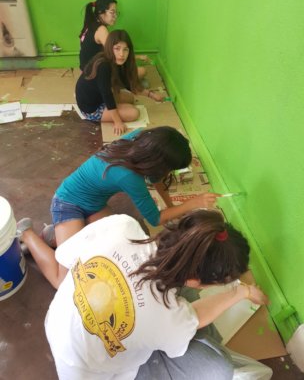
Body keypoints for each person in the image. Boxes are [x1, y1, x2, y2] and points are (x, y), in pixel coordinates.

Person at [44, 210, 271, 379]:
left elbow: (63, 255)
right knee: (217, 370)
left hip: (57, 322)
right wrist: (241, 291)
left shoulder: (123, 224)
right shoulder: (167, 315)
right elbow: (195, 318)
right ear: (195, 281)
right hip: (92, 373)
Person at [17, 126, 220, 289]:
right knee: (64, 280)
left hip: (95, 205)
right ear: (158, 162)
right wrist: (192, 204)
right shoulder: (128, 176)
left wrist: (173, 206)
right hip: (67, 204)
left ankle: (55, 234)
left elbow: (158, 178)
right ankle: (26, 232)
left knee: (113, 248)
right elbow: (155, 219)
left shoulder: (141, 139)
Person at [76, 29, 163, 136]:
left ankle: (115, 108)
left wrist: (151, 95)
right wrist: (117, 122)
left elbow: (128, 83)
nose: (121, 54)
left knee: (130, 98)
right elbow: (107, 95)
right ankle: (112, 112)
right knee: (134, 113)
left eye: (125, 50)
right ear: (109, 48)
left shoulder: (118, 61)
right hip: (91, 107)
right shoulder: (103, 65)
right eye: (117, 49)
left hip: (100, 96)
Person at [79, 0, 148, 78]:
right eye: (112, 12)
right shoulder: (101, 30)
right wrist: (139, 57)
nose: (115, 16)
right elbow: (115, 55)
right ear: (101, 12)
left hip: (85, 68)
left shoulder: (90, 24)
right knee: (142, 71)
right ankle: (119, 84)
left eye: (116, 13)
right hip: (93, 74)